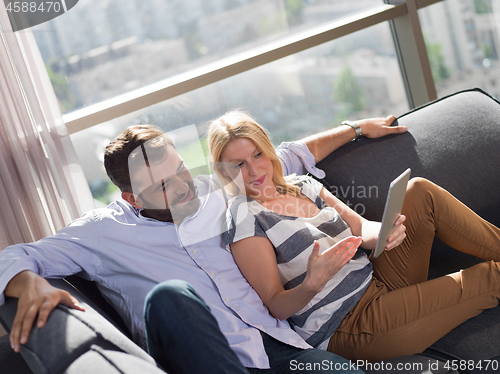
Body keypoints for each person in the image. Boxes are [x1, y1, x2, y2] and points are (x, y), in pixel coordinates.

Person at [0, 117, 405, 373]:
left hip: (279, 350)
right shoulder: (101, 232)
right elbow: (17, 255)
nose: (181, 187)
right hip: (201, 352)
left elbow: (284, 156)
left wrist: (355, 129)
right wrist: (25, 281)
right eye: (161, 186)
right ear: (132, 198)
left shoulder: (217, 190)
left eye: (179, 170)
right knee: (170, 296)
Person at [207, 110, 500, 363]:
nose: (254, 169)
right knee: (491, 277)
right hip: (349, 325)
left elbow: (361, 228)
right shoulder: (245, 218)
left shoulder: (302, 185)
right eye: (238, 164)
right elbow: (275, 304)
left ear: (267, 150)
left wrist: (386, 232)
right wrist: (312, 284)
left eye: (257, 154)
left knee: (419, 191)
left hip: (379, 281)